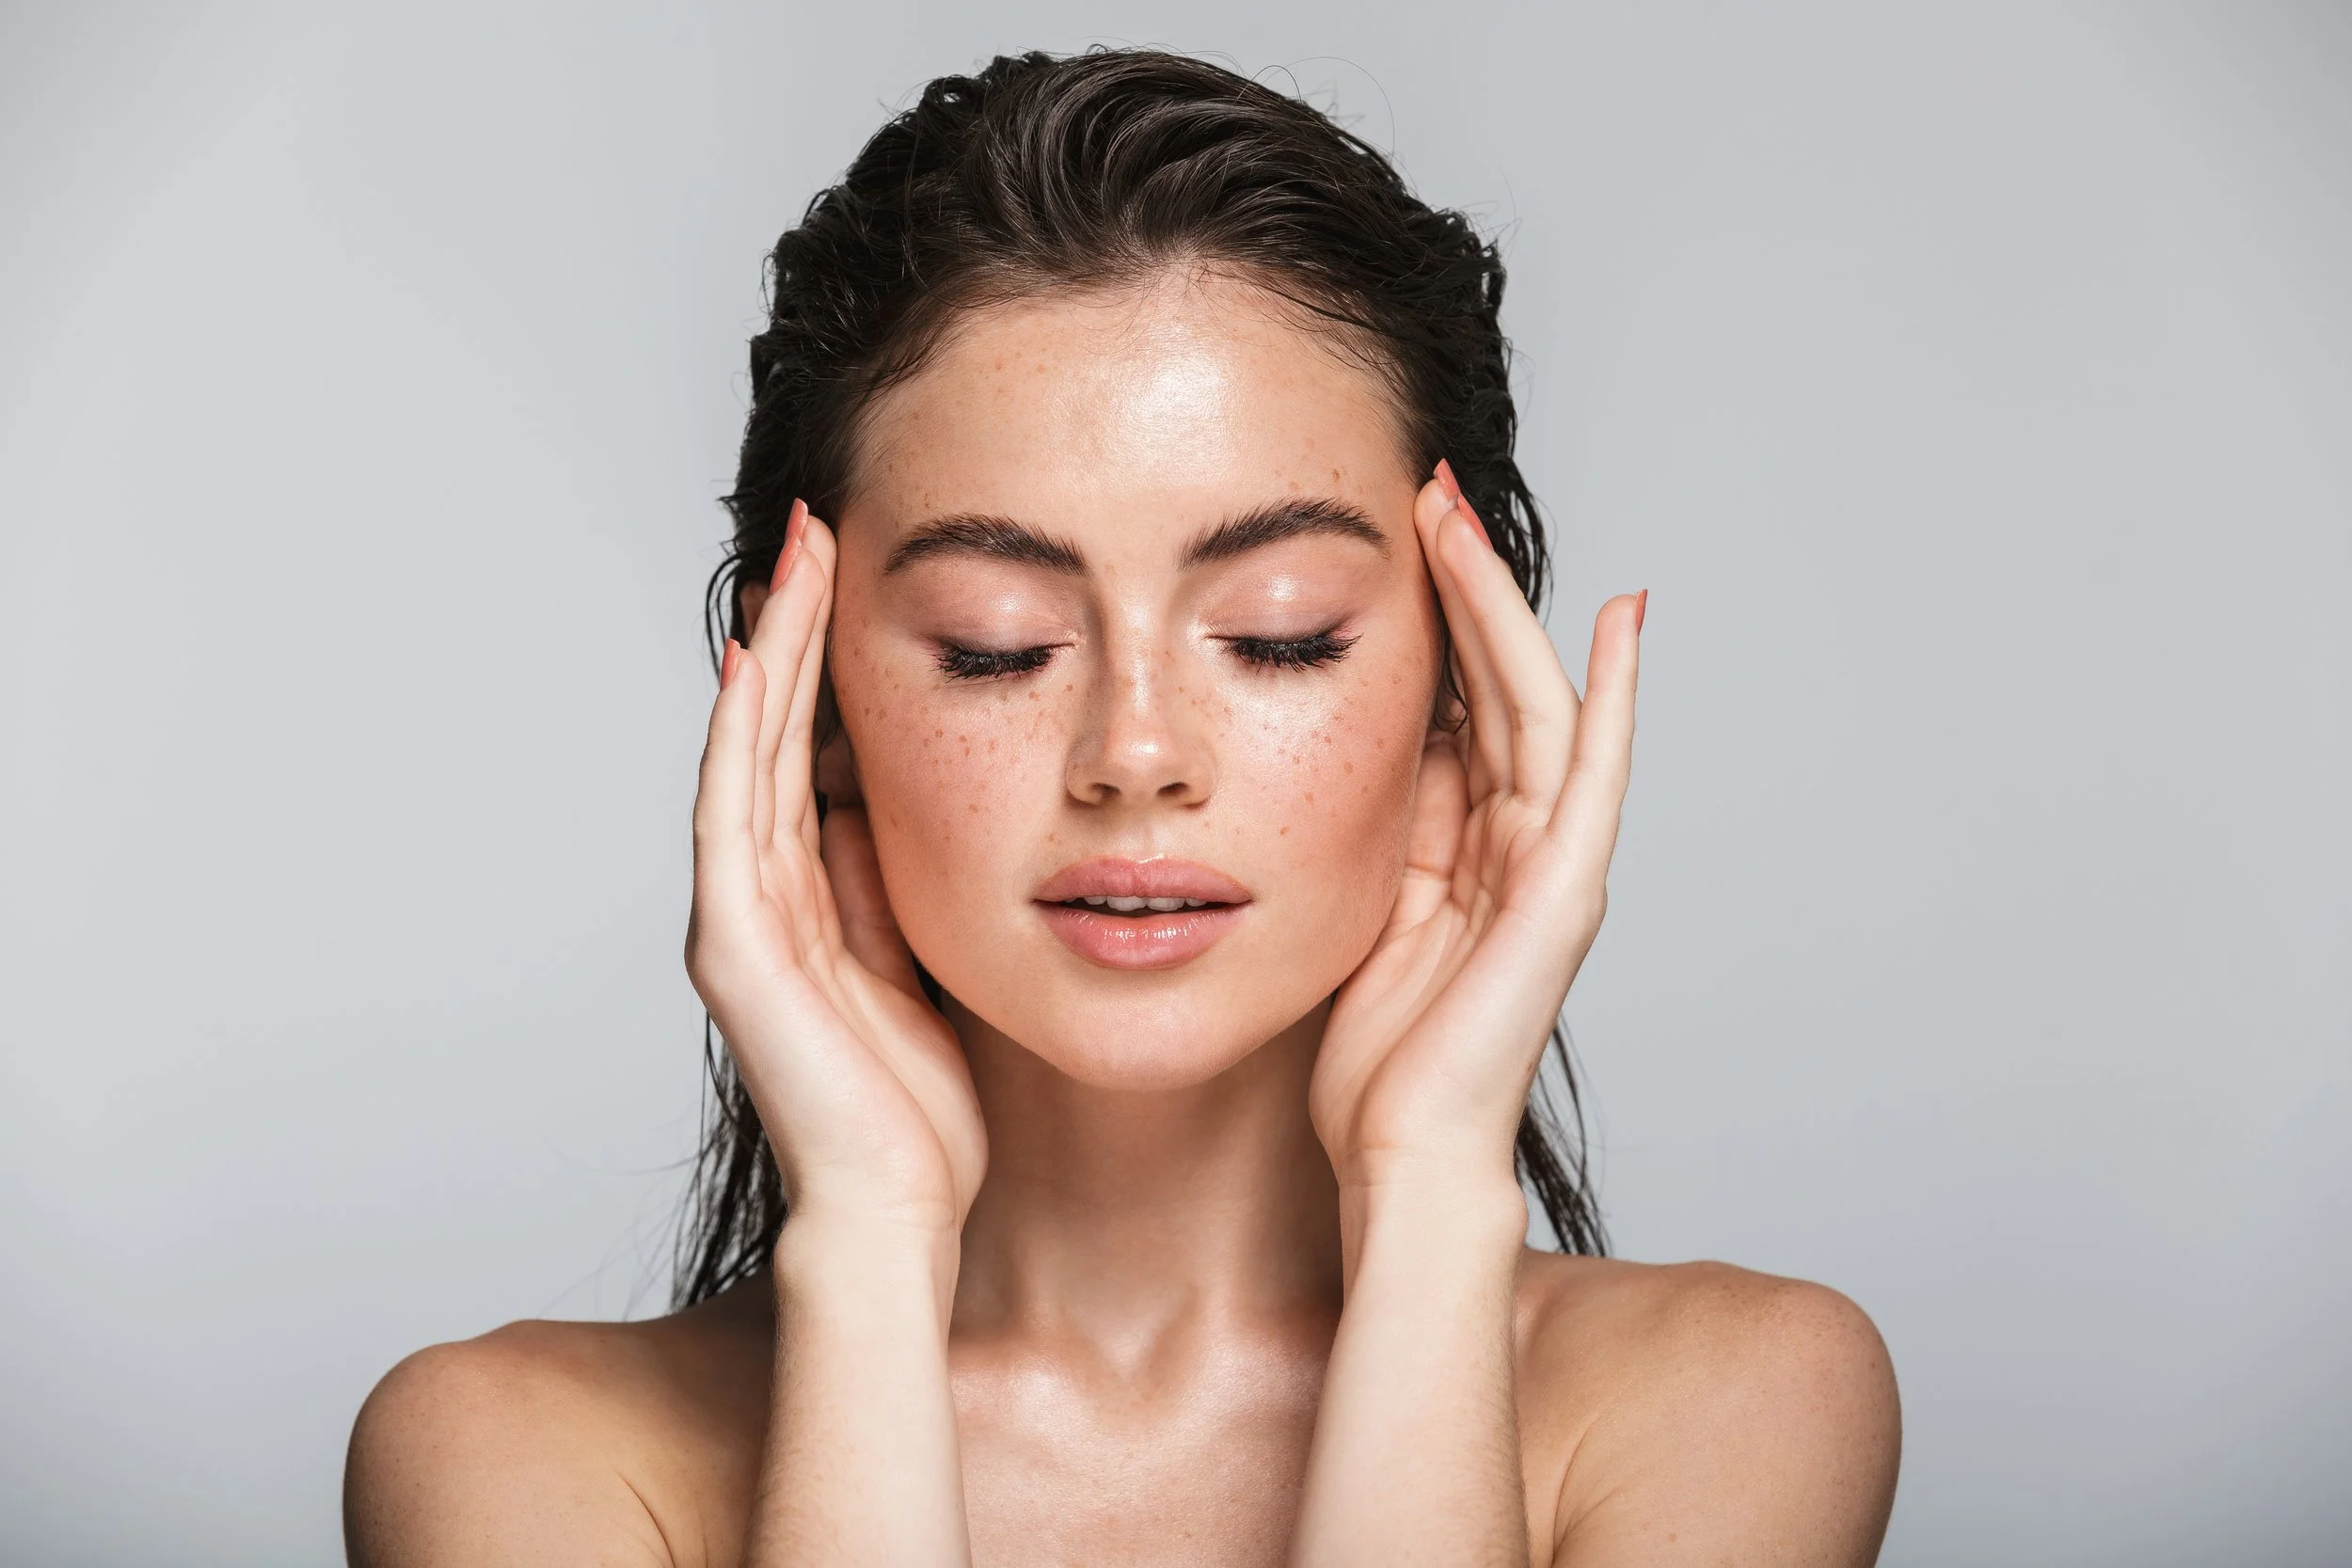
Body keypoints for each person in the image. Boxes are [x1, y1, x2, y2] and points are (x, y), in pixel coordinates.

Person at [343, 48, 1900, 1567]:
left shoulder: (1735, 1400)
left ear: (1459, 689)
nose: (1136, 753)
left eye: (1282, 628)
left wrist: (1428, 1193)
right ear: (804, 699)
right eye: (997, 644)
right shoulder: (514, 1453)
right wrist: (872, 1251)